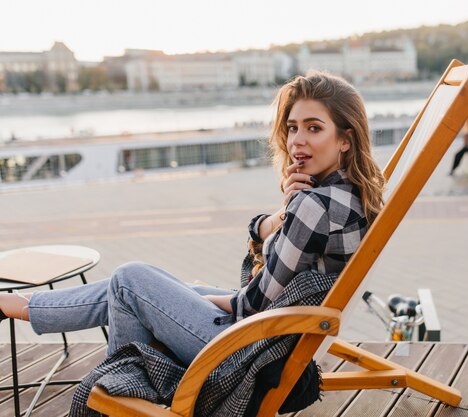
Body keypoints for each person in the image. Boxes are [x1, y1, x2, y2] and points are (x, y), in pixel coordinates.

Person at [0, 71, 385, 367]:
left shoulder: (315, 205)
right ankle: (20, 304)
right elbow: (272, 268)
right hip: (278, 336)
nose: (297, 140)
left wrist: (191, 297)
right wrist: (274, 219)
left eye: (314, 128)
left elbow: (250, 306)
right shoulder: (347, 196)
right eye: (293, 127)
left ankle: (123, 381)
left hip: (249, 351)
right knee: (139, 284)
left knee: (133, 279)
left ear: (345, 139)